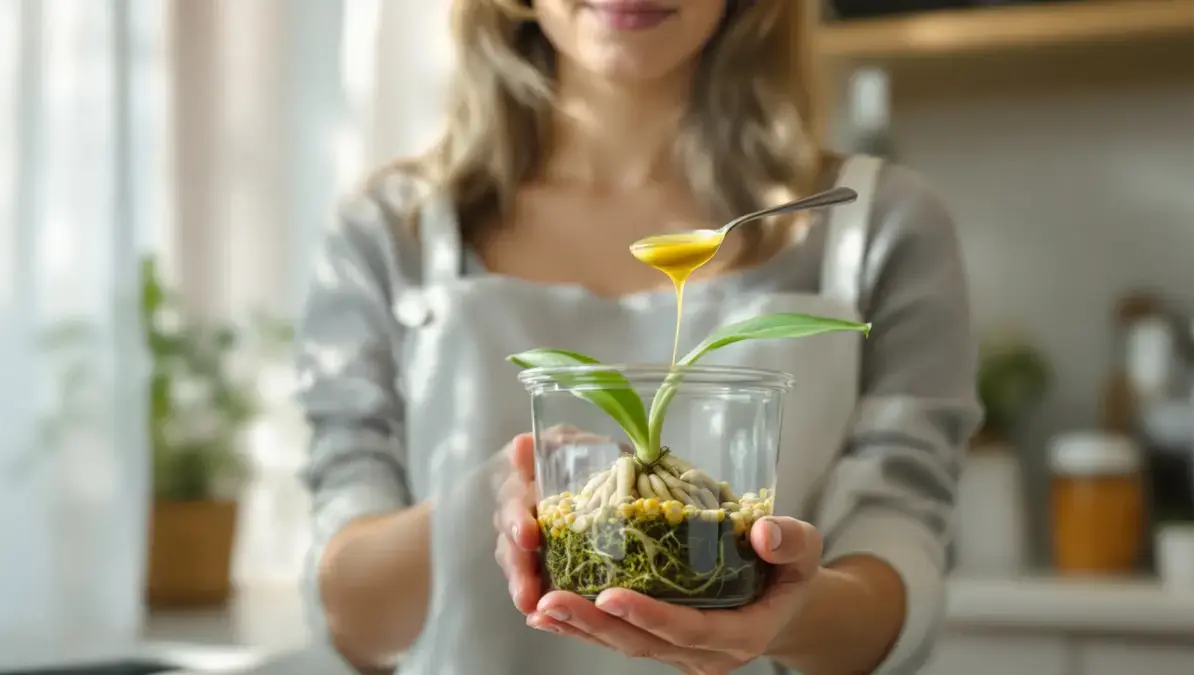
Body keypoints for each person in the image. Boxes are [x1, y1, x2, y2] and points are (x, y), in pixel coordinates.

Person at [294, 0, 981, 674]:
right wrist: (488, 501)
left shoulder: (883, 225)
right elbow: (349, 622)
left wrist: (785, 612)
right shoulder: (395, 230)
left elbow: (902, 563)